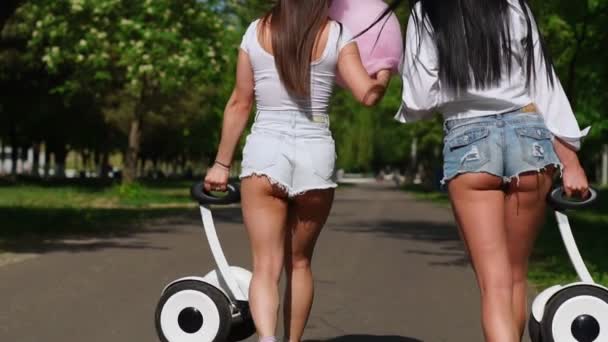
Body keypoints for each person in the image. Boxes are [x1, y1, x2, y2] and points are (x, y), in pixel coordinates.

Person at [383, 0, 590, 340]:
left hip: (470, 142)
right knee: (515, 276)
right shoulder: (514, 5)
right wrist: (572, 163)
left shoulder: (429, 10)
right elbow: (545, 86)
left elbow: (420, 101)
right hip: (530, 138)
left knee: (494, 284)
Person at [204, 1, 391, 341]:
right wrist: (384, 74)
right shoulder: (336, 33)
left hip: (266, 151)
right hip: (315, 153)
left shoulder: (255, 31)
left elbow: (240, 102)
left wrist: (221, 164)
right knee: (300, 263)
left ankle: (267, 338)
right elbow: (367, 95)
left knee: (265, 267)